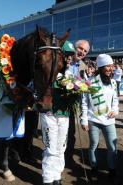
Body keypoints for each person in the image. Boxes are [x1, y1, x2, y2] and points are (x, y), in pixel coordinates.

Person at [41, 41, 75, 185]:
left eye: (70, 56)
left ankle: (57, 176)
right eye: (66, 55)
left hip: (64, 115)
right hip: (50, 114)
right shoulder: (48, 71)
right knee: (51, 148)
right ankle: (48, 179)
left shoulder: (70, 73)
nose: (69, 58)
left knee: (61, 148)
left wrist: (76, 93)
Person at [80, 54, 119, 179]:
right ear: (101, 67)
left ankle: (112, 169)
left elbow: (115, 100)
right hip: (94, 119)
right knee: (93, 145)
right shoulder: (90, 82)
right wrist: (84, 120)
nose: (111, 68)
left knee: (112, 147)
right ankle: (94, 167)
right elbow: (84, 102)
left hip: (109, 120)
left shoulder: (113, 82)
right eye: (108, 66)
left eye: (112, 66)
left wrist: (115, 110)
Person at [65, 39, 90, 164]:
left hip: (72, 105)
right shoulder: (64, 60)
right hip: (59, 104)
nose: (82, 52)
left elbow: (85, 85)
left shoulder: (83, 67)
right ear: (75, 48)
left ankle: (68, 158)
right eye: (80, 48)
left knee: (71, 133)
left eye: (85, 51)